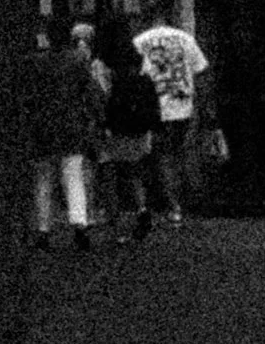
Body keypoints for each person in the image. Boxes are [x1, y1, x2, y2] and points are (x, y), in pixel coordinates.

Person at [25, 19, 104, 251]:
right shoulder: (78, 61)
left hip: (44, 126)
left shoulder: (36, 63)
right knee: (73, 176)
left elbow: (29, 96)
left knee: (44, 178)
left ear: (47, 38)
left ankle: (43, 229)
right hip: (72, 125)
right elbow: (90, 93)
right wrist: (96, 117)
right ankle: (79, 225)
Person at [134, 5, 210, 225]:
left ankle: (172, 204)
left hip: (156, 105)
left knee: (161, 156)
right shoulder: (184, 38)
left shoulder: (140, 42)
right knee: (180, 153)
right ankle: (187, 200)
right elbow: (201, 70)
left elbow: (138, 75)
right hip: (183, 103)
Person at [98, 23, 162, 243]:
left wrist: (105, 126)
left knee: (111, 174)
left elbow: (109, 107)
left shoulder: (116, 80)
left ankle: (116, 222)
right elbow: (154, 107)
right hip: (140, 131)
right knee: (135, 172)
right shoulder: (144, 81)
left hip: (118, 132)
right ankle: (142, 208)